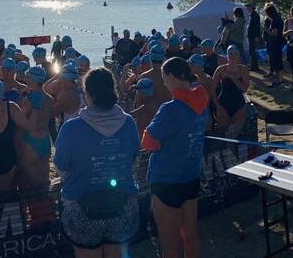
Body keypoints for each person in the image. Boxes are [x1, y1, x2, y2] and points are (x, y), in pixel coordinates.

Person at [54, 67, 140, 257]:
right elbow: (134, 159)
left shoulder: (70, 128)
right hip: (123, 205)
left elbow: (61, 168)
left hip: (81, 207)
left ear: (87, 94)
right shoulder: (129, 123)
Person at [142, 57, 209, 258]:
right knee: (190, 238)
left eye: (164, 78)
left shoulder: (171, 109)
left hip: (166, 181)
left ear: (171, 76)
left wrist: (161, 141)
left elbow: (148, 142)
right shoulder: (202, 99)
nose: (163, 83)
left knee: (170, 246)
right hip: (191, 176)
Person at [16, 66, 53, 189]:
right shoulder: (49, 98)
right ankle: (46, 206)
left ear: (33, 80)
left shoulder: (28, 100)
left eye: (27, 77)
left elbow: (21, 120)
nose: (25, 79)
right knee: (44, 178)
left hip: (30, 141)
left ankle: (36, 206)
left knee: (32, 182)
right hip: (45, 140)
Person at [211, 46, 248, 131]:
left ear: (239, 56)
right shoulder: (221, 69)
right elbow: (212, 87)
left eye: (235, 54)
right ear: (227, 55)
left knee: (236, 130)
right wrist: (217, 104)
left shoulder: (243, 69)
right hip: (223, 103)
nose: (233, 56)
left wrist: (232, 77)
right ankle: (226, 144)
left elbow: (244, 89)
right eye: (230, 53)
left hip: (238, 103)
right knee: (223, 130)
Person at [264, 4, 285, 87]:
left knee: (276, 62)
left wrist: (266, 30)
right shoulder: (279, 19)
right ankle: (280, 79)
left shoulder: (274, 20)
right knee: (279, 61)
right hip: (279, 43)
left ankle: (277, 80)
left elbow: (274, 33)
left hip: (275, 43)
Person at [246, 3, 261, 72]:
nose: (247, 8)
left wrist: (257, 36)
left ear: (252, 7)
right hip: (251, 36)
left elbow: (257, 27)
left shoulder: (255, 15)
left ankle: (254, 67)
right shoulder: (252, 15)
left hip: (253, 36)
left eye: (248, 7)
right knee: (251, 51)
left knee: (252, 51)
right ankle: (254, 66)